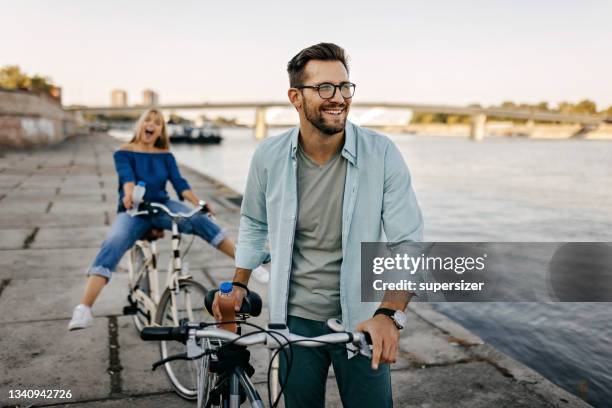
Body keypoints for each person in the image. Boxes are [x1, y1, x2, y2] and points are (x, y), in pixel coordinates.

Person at [212, 43, 423, 407]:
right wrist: (240, 285)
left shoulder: (382, 153)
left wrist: (390, 314)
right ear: (296, 97)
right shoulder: (268, 156)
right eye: (325, 87)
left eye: (344, 87)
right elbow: (254, 222)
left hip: (363, 319)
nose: (338, 97)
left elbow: (408, 242)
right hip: (293, 321)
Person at [68, 108, 235, 330]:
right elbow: (127, 178)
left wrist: (198, 203)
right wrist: (128, 194)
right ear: (140, 125)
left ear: (161, 131)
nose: (152, 125)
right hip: (134, 211)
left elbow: (179, 183)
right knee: (113, 242)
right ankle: (84, 309)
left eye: (158, 123)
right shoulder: (123, 152)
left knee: (199, 220)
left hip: (161, 205)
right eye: (148, 120)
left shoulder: (165, 155)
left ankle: (243, 260)